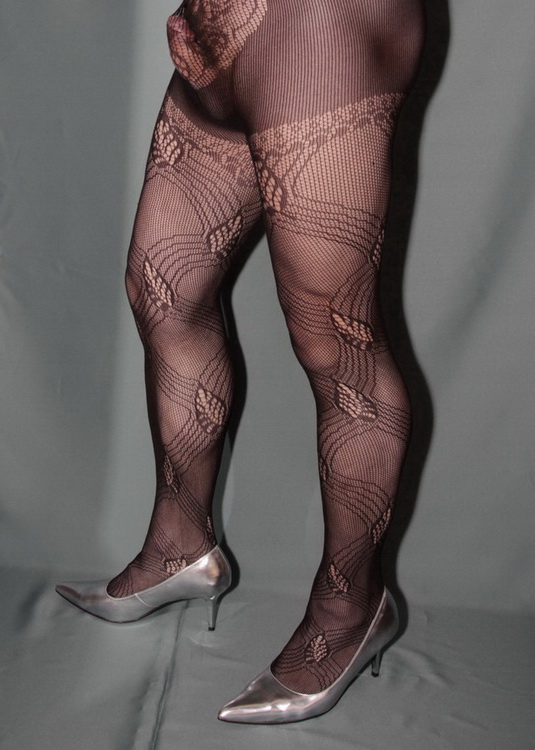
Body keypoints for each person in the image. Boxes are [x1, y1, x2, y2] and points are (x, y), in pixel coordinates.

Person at [56, 0, 425, 724]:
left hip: (317, 37)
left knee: (337, 345)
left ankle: (351, 607)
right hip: (218, 33)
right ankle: (179, 546)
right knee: (163, 293)